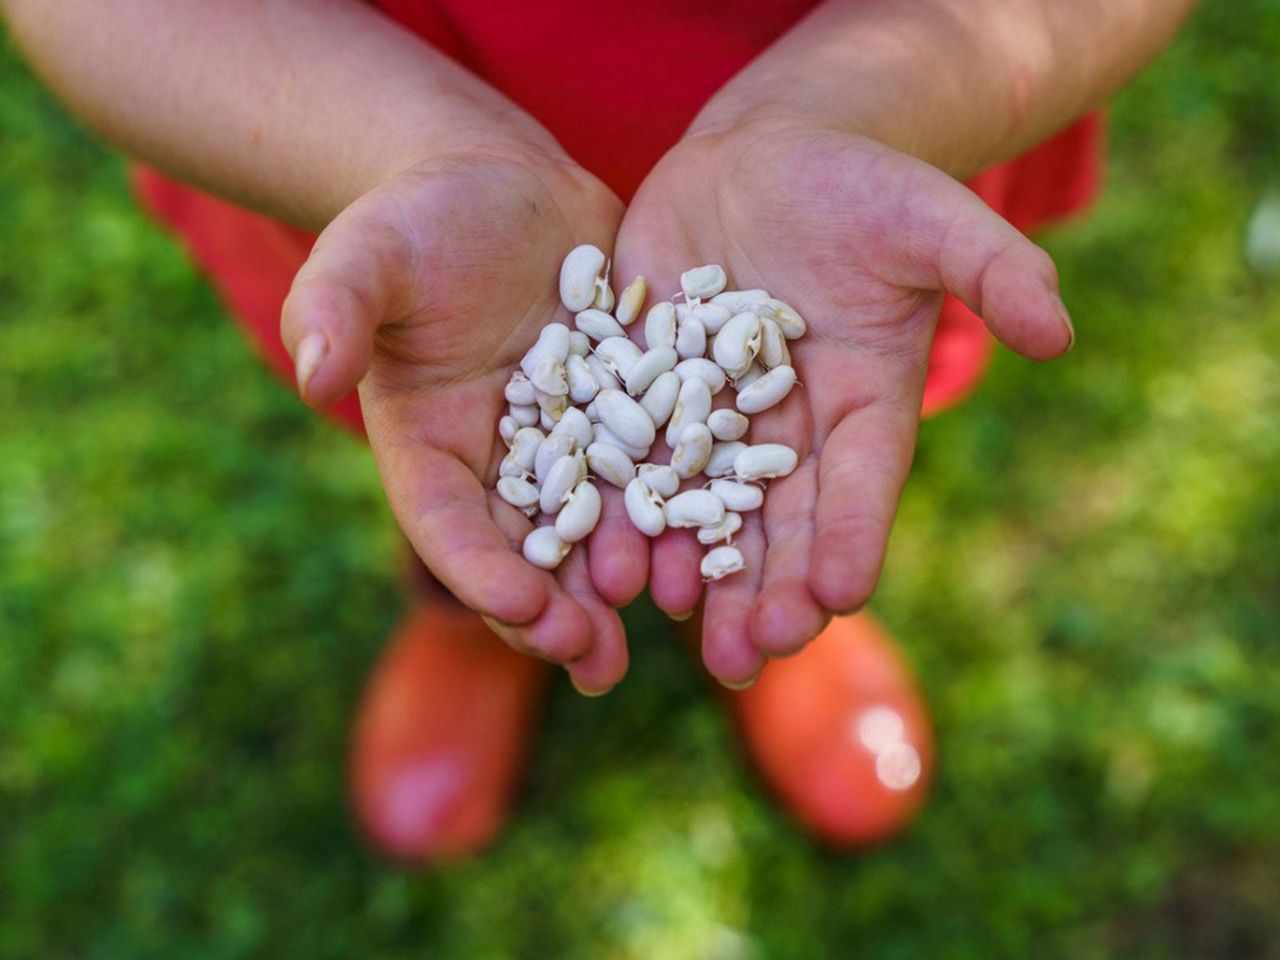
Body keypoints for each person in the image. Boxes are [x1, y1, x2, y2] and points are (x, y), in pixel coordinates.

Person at [2, 0, 1196, 860]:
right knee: (458, 424)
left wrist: (858, 94)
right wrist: (423, 150)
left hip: (859, 134)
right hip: (354, 123)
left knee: (808, 434)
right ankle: (471, 619)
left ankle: (801, 620)